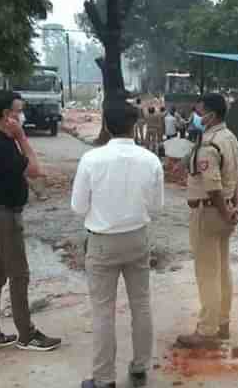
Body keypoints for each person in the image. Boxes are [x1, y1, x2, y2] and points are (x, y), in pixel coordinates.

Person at [72, 102, 165, 388]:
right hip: (137, 238)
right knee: (141, 304)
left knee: (103, 310)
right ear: (134, 124)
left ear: (107, 126)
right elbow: (156, 207)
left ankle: (103, 379)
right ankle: (139, 367)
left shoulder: (91, 159)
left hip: (102, 242)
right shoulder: (150, 160)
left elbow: (78, 207)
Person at [0, 90, 62, 355]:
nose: (21, 115)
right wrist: (23, 137)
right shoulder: (0, 143)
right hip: (3, 217)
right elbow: (35, 170)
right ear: (6, 115)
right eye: (18, 110)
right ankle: (27, 334)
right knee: (18, 275)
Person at [176, 93, 238, 349]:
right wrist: (237, 206)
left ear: (211, 115)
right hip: (226, 211)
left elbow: (213, 185)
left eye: (199, 111)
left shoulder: (210, 144)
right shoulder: (230, 139)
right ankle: (222, 323)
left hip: (208, 212)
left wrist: (226, 211)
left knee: (207, 273)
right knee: (222, 269)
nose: (196, 115)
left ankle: (206, 331)